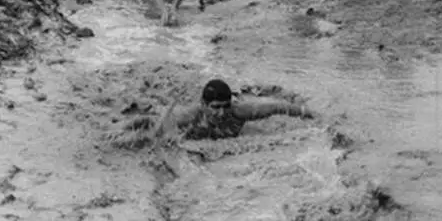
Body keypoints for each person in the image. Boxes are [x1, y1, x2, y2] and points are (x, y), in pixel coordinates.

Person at [121, 79, 312, 141]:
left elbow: (278, 107)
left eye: (225, 107)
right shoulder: (189, 116)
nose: (221, 113)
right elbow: (148, 120)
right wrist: (121, 130)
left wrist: (308, 113)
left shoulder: (239, 111)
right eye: (215, 108)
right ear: (204, 105)